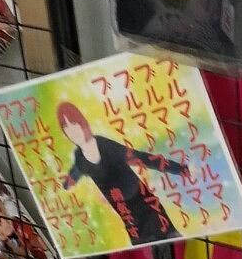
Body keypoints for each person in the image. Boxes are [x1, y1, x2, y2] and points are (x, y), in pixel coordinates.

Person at [58, 101, 188, 247]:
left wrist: (180, 169)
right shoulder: (80, 157)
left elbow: (142, 158)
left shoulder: (104, 145)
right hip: (130, 219)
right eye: (66, 127)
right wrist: (64, 186)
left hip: (148, 207)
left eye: (73, 123)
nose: (71, 131)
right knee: (144, 248)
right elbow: (74, 174)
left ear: (82, 122)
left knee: (173, 243)